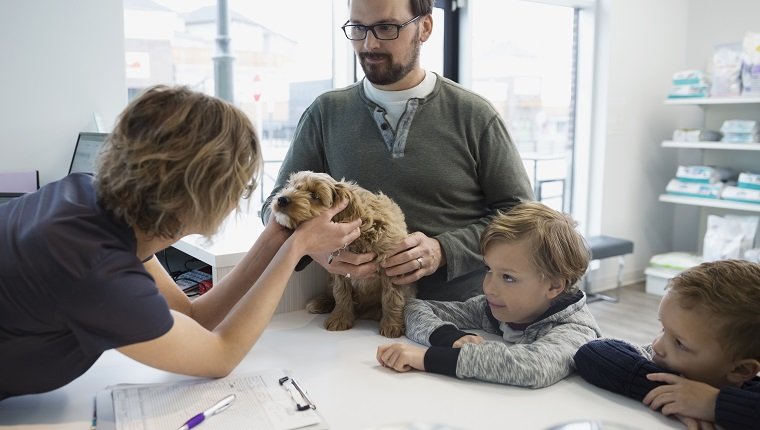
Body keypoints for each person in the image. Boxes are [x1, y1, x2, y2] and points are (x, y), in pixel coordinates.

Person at [0, 85, 361, 400]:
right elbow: (219, 356)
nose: (236, 201)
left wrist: (273, 239)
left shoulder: (95, 202)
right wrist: (296, 248)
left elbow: (192, 317)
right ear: (197, 193)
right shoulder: (93, 267)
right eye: (235, 188)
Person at [261, 0, 534, 302]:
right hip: (358, 320)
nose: (369, 43)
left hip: (460, 313)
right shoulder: (325, 113)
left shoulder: (475, 115)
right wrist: (315, 248)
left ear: (425, 28)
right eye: (358, 28)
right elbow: (273, 208)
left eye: (387, 27)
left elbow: (521, 217)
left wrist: (444, 250)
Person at [376, 201, 601, 388]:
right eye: (488, 270)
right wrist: (449, 338)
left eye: (508, 277)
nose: (489, 287)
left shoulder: (576, 330)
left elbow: (534, 366)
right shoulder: (493, 308)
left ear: (554, 286)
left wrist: (425, 358)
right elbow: (414, 307)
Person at [574, 259, 760, 430]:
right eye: (663, 329)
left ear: (741, 370)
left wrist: (713, 403)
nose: (657, 346)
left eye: (679, 343)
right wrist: (669, 394)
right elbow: (591, 352)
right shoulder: (659, 360)